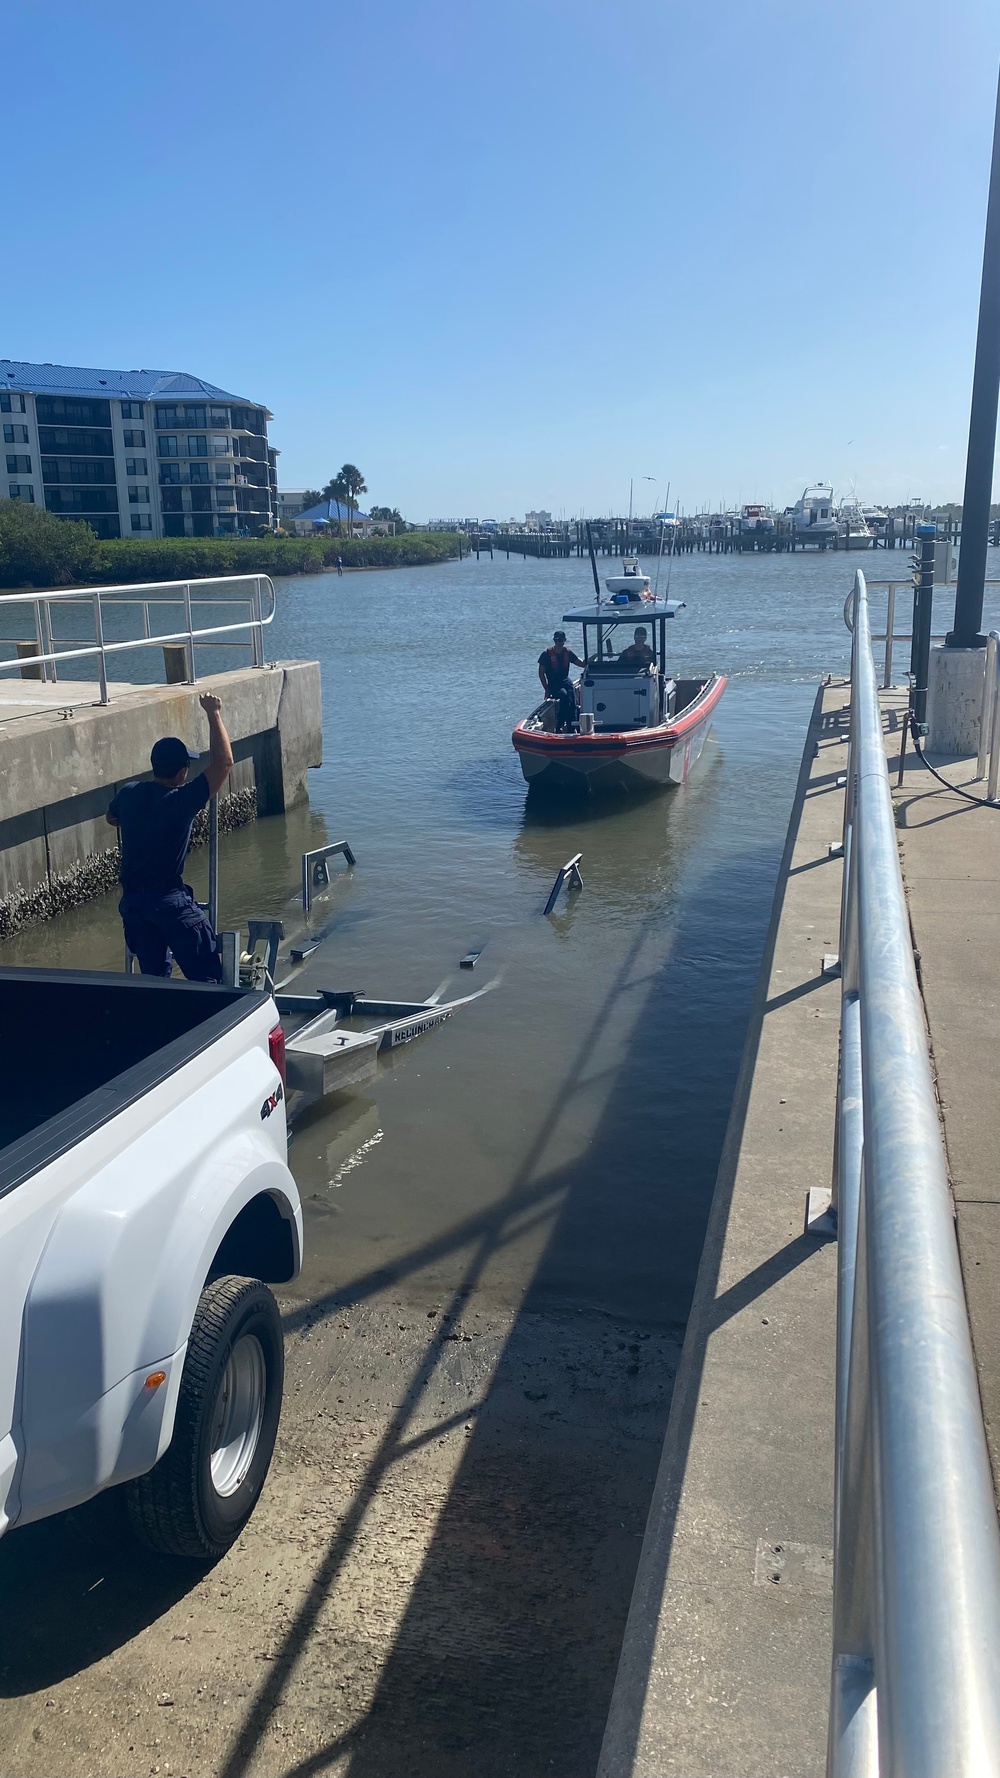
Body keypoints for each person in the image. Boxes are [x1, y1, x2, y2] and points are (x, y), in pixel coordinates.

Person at [107, 693, 235, 981]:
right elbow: (224, 763)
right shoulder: (181, 801)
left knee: (153, 979)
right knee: (207, 978)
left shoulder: (129, 793)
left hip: (134, 904)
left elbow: (111, 817)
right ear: (181, 773)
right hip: (168, 901)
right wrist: (214, 712)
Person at [537, 630, 584, 732]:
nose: (559, 642)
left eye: (561, 640)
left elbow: (582, 663)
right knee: (564, 695)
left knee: (572, 697)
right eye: (557, 640)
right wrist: (546, 689)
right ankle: (560, 725)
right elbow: (541, 673)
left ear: (564, 640)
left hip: (565, 680)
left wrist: (591, 661)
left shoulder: (568, 653)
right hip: (553, 683)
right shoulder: (546, 654)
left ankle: (572, 725)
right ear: (554, 641)